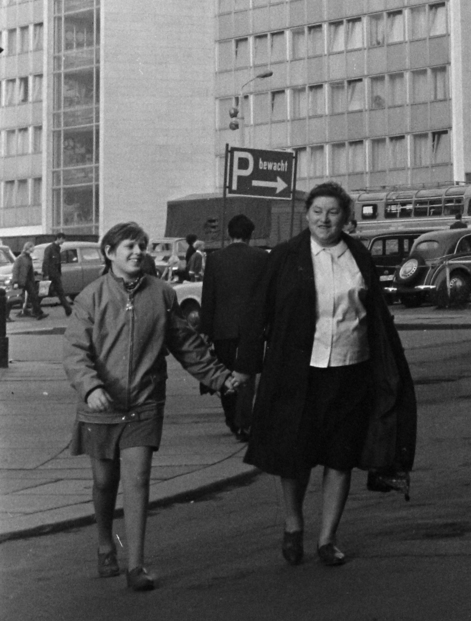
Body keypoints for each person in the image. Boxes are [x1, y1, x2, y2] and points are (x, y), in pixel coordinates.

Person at [239, 182, 415, 567]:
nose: (324, 219)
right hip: (299, 373)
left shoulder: (359, 256)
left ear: (346, 217)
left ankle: (327, 539)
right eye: (317, 211)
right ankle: (293, 525)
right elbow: (257, 314)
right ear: (307, 214)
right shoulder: (285, 257)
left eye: (333, 212)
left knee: (341, 457)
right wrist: (247, 372)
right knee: (294, 456)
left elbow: (376, 314)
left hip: (352, 370)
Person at [62, 221, 242, 591]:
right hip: (100, 405)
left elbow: (186, 344)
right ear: (109, 252)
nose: (137, 251)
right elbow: (75, 352)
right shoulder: (91, 298)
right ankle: (103, 542)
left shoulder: (162, 294)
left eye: (141, 245)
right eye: (129, 246)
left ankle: (136, 564)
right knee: (103, 481)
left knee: (138, 479)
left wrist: (220, 377)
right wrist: (91, 387)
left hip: (144, 403)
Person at [199, 215, 270, 440]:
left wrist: (206, 330)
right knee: (247, 374)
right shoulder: (262, 258)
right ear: (251, 234)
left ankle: (231, 418)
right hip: (253, 328)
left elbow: (208, 297)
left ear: (229, 233)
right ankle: (244, 421)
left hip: (223, 328)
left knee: (226, 372)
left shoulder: (215, 259)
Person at [42, 232, 70, 314]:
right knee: (44, 292)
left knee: (60, 291)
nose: (64, 241)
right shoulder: (50, 249)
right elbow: (46, 262)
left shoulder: (57, 248)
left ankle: (68, 309)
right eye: (63, 239)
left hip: (55, 274)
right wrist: (46, 274)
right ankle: (36, 309)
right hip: (51, 274)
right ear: (59, 238)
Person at [14, 239, 42, 318]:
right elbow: (15, 270)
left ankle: (38, 312)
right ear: (28, 248)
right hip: (23, 280)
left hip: (28, 280)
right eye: (32, 247)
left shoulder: (28, 257)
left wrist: (36, 273)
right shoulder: (21, 258)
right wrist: (15, 281)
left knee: (33, 296)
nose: (34, 249)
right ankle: (6, 314)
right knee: (17, 297)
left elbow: (28, 269)